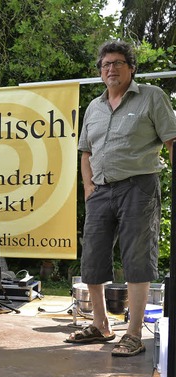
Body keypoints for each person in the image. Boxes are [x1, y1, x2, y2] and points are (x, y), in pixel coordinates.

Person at [66, 40, 176, 356]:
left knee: (137, 258)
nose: (111, 69)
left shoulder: (152, 97)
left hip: (138, 187)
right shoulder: (94, 107)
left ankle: (134, 334)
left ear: (131, 68)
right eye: (105, 65)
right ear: (101, 72)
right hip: (100, 190)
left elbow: (172, 141)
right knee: (93, 257)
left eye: (117, 63)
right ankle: (101, 325)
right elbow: (85, 152)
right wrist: (88, 187)